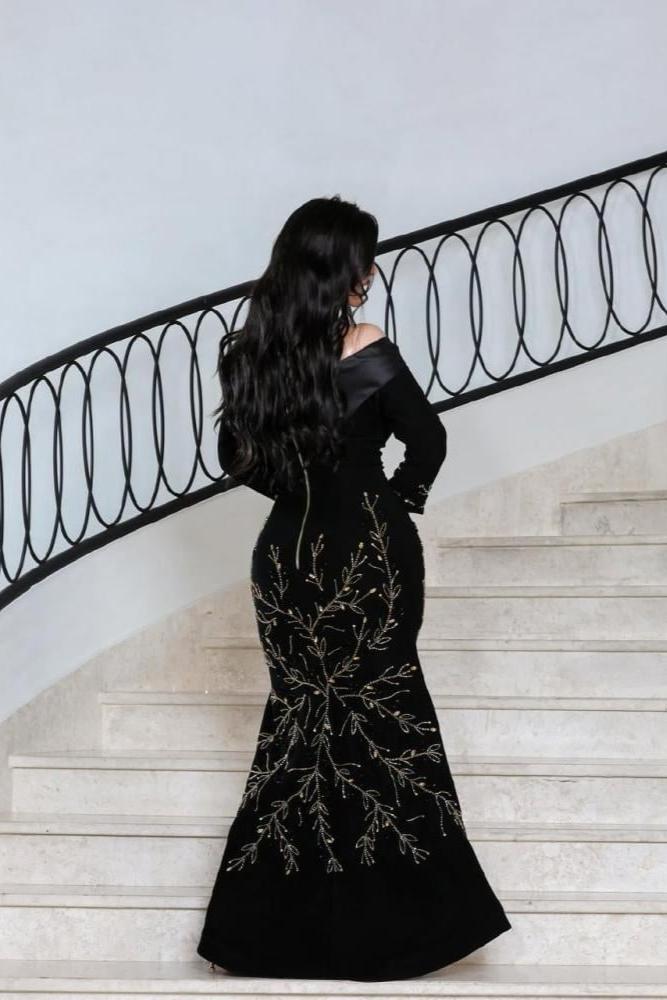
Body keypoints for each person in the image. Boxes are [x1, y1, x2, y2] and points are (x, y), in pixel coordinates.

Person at [197, 196, 511, 981]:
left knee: (300, 726)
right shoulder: (364, 346)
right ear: (343, 270)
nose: (370, 273)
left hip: (286, 562)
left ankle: (263, 939)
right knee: (383, 723)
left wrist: (301, 497)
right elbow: (427, 440)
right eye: (364, 260)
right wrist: (390, 501)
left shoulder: (249, 357)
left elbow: (236, 456)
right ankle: (406, 934)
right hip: (369, 552)